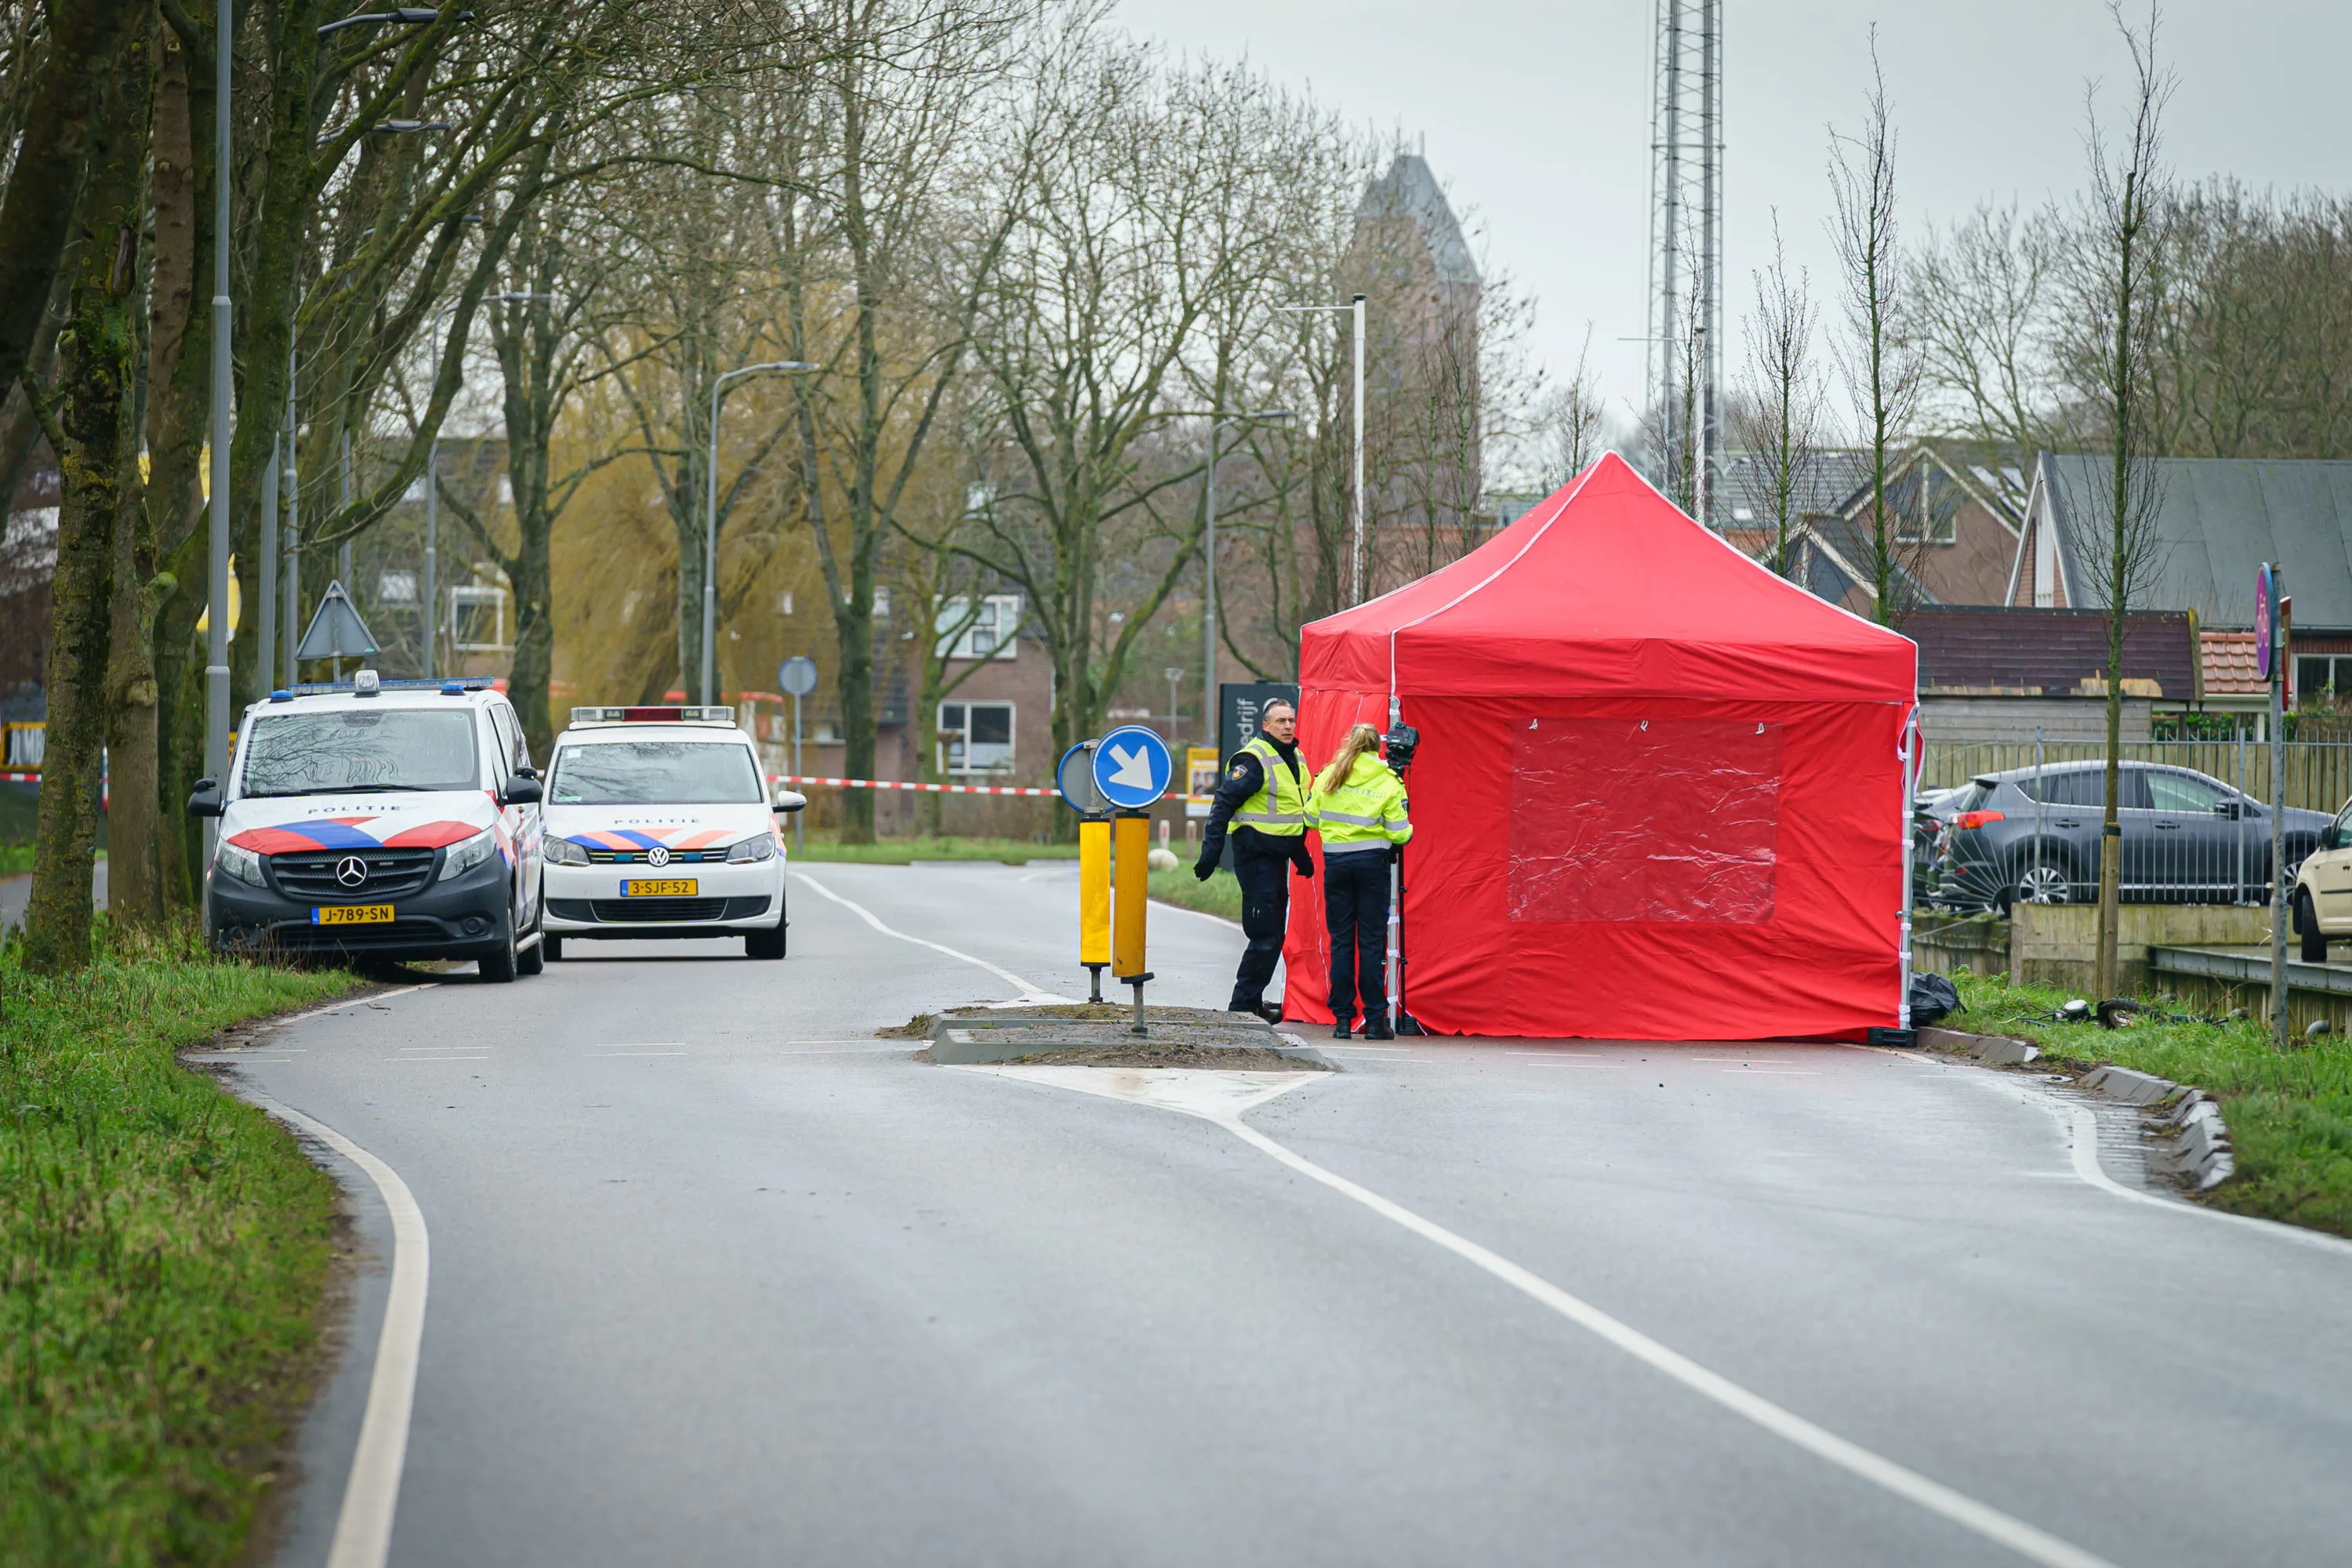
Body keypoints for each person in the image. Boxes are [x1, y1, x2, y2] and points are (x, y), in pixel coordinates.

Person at [1194, 699, 1312, 1022]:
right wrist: (1211, 853)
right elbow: (1223, 803)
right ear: (1266, 725)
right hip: (1255, 855)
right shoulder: (1254, 759)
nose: (1288, 726)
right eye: (1280, 721)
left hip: (1278, 857)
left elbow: (1292, 814)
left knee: (1273, 934)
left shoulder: (1295, 757)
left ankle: (1253, 1003)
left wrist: (1301, 857)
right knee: (1265, 935)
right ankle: (1242, 1008)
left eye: (1291, 720)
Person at [1308, 722, 1413, 1040]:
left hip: (1336, 865)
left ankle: (1342, 1020)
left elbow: (1310, 819)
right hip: (1372, 868)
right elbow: (1399, 833)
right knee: (1370, 943)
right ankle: (1375, 1021)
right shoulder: (1388, 781)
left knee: (1341, 942)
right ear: (1376, 747)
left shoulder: (1328, 775)